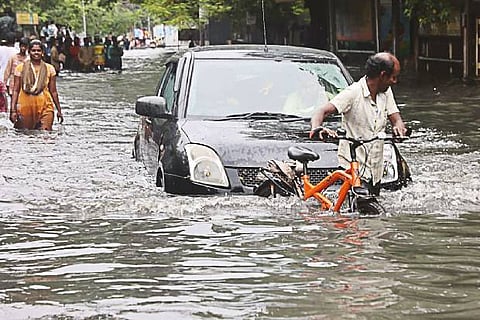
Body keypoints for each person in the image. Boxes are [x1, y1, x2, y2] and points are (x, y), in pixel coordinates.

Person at [310, 52, 407, 195]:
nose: (395, 81)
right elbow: (322, 111)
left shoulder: (386, 92)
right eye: (393, 77)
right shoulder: (353, 93)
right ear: (382, 75)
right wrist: (317, 128)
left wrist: (399, 127)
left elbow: (396, 118)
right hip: (352, 168)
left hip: (375, 172)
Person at [9, 39, 63, 130]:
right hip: (25, 108)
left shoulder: (50, 69)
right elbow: (15, 90)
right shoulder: (20, 68)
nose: (36, 53)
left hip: (46, 107)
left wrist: (59, 110)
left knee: (46, 136)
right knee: (26, 136)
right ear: (29, 52)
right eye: (33, 50)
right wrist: (13, 110)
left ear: (42, 52)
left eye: (38, 50)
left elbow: (53, 91)